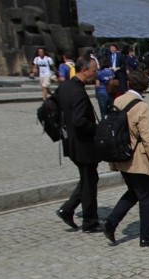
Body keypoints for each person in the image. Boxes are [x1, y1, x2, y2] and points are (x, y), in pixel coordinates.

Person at [103, 70, 149, 248]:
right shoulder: (142, 107)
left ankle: (111, 222)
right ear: (146, 87)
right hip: (139, 160)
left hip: (122, 157)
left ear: (129, 84)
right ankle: (147, 236)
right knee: (147, 199)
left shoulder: (119, 100)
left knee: (133, 193)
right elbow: (147, 138)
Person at [54, 56, 102, 233]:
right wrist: (97, 129)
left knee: (89, 178)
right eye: (94, 70)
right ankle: (90, 222)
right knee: (89, 182)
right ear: (84, 70)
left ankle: (67, 209)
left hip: (71, 142)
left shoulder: (65, 86)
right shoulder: (79, 92)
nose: (95, 73)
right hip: (83, 145)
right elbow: (80, 121)